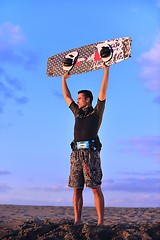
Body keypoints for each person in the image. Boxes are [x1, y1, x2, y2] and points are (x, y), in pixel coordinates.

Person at [62, 64, 109, 226]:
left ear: (88, 100)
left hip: (91, 153)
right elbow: (66, 97)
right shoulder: (77, 112)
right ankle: (77, 221)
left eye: (80, 98)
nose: (77, 100)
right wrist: (64, 79)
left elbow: (102, 93)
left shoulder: (96, 112)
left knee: (95, 187)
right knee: (77, 188)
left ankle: (100, 222)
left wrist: (106, 70)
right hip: (76, 154)